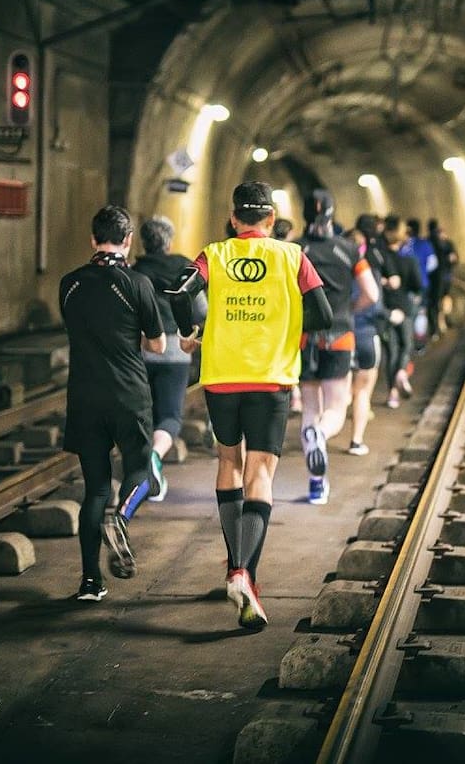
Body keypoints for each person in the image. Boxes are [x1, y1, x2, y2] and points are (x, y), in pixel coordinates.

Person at [167, 181, 333, 630]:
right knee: (262, 472)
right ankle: (244, 572)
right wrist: (286, 325)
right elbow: (324, 316)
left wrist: (191, 333)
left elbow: (179, 293)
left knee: (229, 463)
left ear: (235, 219)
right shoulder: (292, 256)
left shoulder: (214, 254)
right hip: (271, 377)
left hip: (221, 377)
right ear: (272, 220)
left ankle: (238, 571)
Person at [59, 205, 165, 603]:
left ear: (92, 239)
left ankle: (89, 583)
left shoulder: (69, 284)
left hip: (84, 397)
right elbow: (157, 344)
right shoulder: (137, 283)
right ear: (128, 241)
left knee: (95, 489)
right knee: (143, 474)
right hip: (128, 395)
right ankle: (121, 519)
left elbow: (80, 331)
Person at [296, 190, 378, 501]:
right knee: (334, 409)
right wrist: (350, 308)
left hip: (304, 338)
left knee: (310, 409)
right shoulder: (350, 250)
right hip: (340, 335)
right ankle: (322, 435)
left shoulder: (295, 250)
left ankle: (316, 483)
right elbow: (372, 293)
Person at [133, 216, 201, 501]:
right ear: (169, 241)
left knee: (144, 412)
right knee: (170, 415)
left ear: (142, 243)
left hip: (141, 349)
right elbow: (201, 308)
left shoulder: (134, 271)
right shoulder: (183, 267)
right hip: (175, 349)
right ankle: (156, 457)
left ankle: (140, 466)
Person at [346, 222, 383, 455]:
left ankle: (320, 430)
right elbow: (376, 303)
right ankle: (356, 441)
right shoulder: (369, 271)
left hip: (338, 337)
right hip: (366, 335)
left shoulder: (334, 272)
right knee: (362, 390)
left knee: (335, 393)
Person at [381, 216, 422, 409]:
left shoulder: (380, 258)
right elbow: (418, 286)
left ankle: (392, 395)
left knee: (391, 351)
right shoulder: (409, 261)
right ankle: (401, 372)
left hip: (387, 310)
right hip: (405, 309)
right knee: (406, 345)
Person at [401, 217, 438, 346]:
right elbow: (433, 263)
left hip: (404, 285)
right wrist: (423, 272)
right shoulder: (425, 244)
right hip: (422, 283)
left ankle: (406, 341)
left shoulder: (403, 244)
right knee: (421, 312)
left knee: (406, 312)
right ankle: (419, 341)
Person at [427, 218, 458, 335]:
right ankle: (439, 324)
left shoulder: (445, 243)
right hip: (440, 277)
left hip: (442, 277)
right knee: (437, 301)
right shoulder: (440, 243)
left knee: (440, 301)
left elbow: (455, 259)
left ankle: (440, 323)